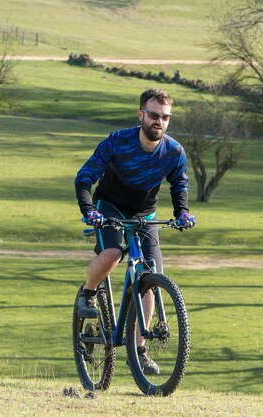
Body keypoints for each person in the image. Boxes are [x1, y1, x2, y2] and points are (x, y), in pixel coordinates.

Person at [74, 88, 195, 375]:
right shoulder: (118, 142)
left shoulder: (174, 151)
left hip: (145, 215)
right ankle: (88, 293)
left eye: (165, 117)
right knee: (113, 254)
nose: (160, 122)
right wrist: (89, 210)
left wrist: (182, 213)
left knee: (151, 278)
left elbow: (179, 185)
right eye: (154, 115)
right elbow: (84, 178)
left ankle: (139, 351)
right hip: (110, 207)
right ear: (141, 114)